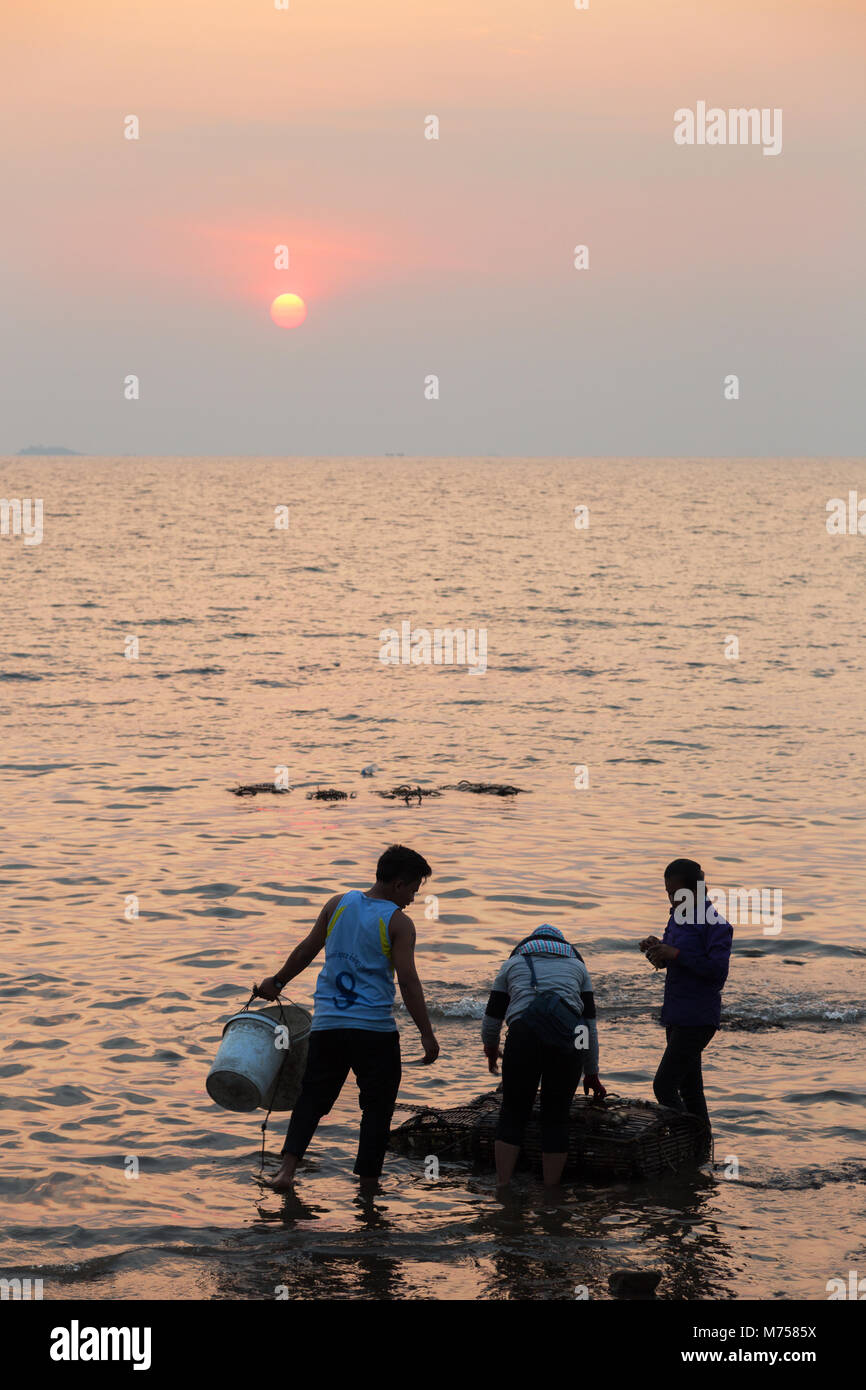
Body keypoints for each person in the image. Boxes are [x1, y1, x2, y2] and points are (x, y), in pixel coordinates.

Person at [255, 844, 439, 1191]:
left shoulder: (338, 903)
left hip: (329, 1027)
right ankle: (368, 1185)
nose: (412, 899)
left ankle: (286, 1172)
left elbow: (307, 949)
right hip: (374, 1032)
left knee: (312, 1099)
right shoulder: (399, 922)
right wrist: (426, 1034)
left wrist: (277, 982)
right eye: (413, 890)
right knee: (377, 1108)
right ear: (399, 884)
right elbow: (409, 981)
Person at [481, 924, 606, 1190]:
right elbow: (588, 1027)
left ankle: (503, 1186)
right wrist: (591, 1072)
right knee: (556, 1116)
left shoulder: (511, 964)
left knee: (513, 1112)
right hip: (567, 1041)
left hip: (523, 1039)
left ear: (528, 945)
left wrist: (491, 1051)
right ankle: (551, 1192)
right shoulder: (578, 968)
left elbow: (492, 1019)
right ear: (564, 948)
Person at [639, 858, 733, 1153]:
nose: (671, 899)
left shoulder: (716, 924)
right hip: (676, 1013)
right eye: (668, 893)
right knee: (691, 1091)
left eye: (676, 893)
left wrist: (676, 953)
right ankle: (701, 1150)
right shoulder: (677, 918)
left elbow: (717, 971)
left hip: (699, 1017)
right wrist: (657, 951)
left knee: (663, 1086)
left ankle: (685, 1144)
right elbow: (669, 961)